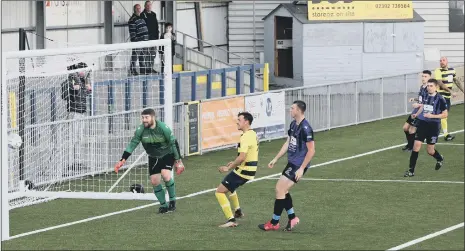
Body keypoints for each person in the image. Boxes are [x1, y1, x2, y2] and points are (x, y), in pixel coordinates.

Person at [258, 100, 315, 232]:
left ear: (299, 111)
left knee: (279, 189)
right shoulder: (293, 124)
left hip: (298, 165)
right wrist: (276, 158)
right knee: (283, 191)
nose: (290, 110)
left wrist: (301, 168)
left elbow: (312, 150)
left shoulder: (306, 129)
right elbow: (288, 142)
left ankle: (274, 222)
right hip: (292, 163)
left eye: (292, 108)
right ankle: (292, 218)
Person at [114, 108, 185, 213]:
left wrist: (178, 161)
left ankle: (172, 201)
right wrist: (122, 159)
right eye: (142, 118)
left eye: (146, 117)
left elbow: (173, 143)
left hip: (167, 154)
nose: (144, 120)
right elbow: (132, 144)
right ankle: (164, 206)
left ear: (153, 117)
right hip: (153, 157)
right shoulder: (140, 130)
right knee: (154, 181)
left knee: (166, 175)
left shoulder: (163, 128)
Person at [215, 112, 259, 228]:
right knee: (230, 187)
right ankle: (238, 211)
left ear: (246, 122)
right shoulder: (252, 133)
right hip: (249, 169)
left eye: (239, 120)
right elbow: (246, 155)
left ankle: (231, 220)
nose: (237, 122)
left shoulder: (245, 136)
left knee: (219, 191)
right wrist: (234, 163)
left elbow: (242, 157)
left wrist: (228, 167)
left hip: (244, 170)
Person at [404, 79, 447, 177]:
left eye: (431, 86)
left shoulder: (440, 99)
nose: (429, 87)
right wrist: (416, 114)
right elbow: (423, 106)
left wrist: (433, 116)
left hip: (434, 126)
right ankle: (411, 171)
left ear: (436, 87)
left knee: (430, 151)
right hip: (423, 124)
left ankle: (439, 158)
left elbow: (445, 114)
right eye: (428, 85)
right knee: (416, 146)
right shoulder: (425, 95)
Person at [62, 62, 92, 175]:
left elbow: (86, 93)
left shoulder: (84, 81)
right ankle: (70, 162)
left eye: (84, 70)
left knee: (79, 137)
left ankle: (77, 161)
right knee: (72, 137)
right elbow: (64, 95)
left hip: (82, 112)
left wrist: (88, 89)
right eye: (81, 70)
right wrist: (73, 89)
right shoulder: (70, 81)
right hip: (74, 112)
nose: (83, 73)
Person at [434, 57, 464, 141]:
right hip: (440, 96)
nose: (441, 62)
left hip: (447, 97)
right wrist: (451, 91)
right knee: (444, 114)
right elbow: (440, 82)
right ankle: (446, 135)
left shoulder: (452, 70)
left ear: (447, 61)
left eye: (443, 60)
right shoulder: (438, 70)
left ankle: (442, 133)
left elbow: (456, 81)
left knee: (443, 115)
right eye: (440, 61)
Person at [401, 70, 431, 152]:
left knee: (412, 130)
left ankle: (411, 147)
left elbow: (427, 103)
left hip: (421, 111)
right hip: (416, 109)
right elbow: (421, 99)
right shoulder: (422, 87)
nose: (423, 78)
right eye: (422, 76)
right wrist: (414, 99)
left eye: (425, 76)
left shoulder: (429, 89)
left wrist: (419, 105)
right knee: (405, 128)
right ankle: (410, 144)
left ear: (429, 77)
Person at [128, 4, 149, 75]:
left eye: (139, 8)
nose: (139, 10)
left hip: (145, 40)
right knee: (135, 56)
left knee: (142, 56)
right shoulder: (132, 19)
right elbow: (132, 32)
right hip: (138, 41)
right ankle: (132, 70)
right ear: (134, 9)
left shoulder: (142, 17)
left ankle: (143, 70)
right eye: (137, 8)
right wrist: (135, 40)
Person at [142, 1, 159, 73]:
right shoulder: (142, 15)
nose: (149, 6)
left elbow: (156, 26)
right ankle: (146, 69)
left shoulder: (154, 14)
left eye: (150, 5)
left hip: (154, 38)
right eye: (147, 5)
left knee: (152, 54)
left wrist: (157, 36)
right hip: (146, 38)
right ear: (145, 6)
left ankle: (151, 68)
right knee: (146, 54)